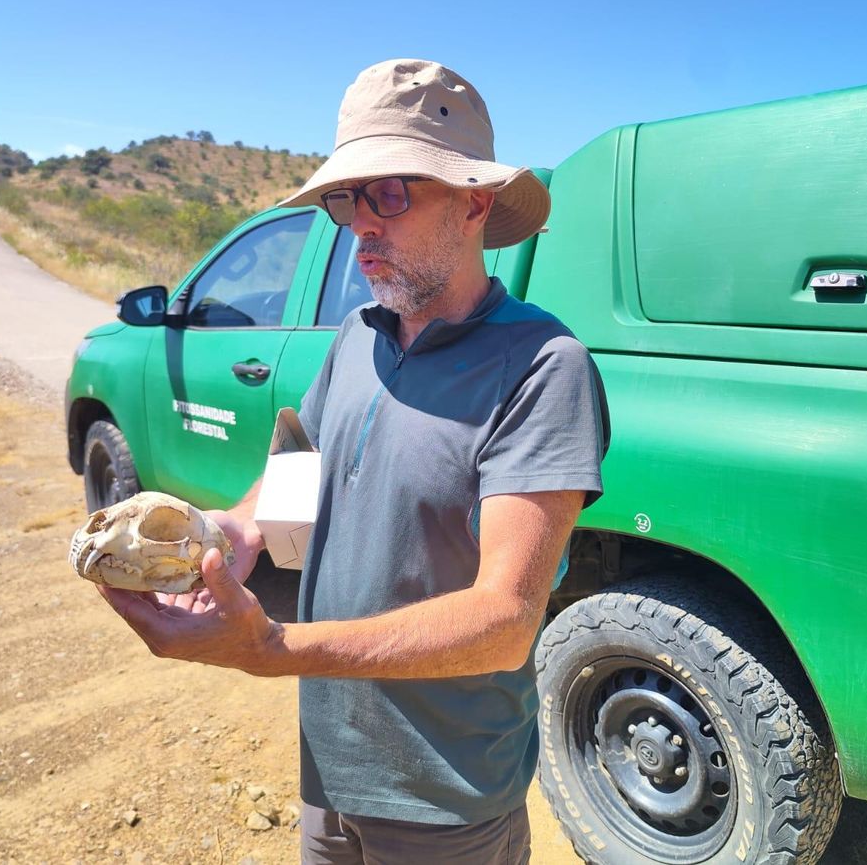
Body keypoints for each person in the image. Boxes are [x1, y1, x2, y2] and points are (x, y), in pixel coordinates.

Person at [98, 59, 610, 864]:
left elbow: (507, 622)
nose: (359, 224)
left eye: (391, 193)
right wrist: (232, 534)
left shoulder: (544, 366)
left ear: (474, 202)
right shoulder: (358, 337)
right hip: (329, 765)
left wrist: (273, 650)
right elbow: (303, 469)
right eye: (345, 197)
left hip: (448, 796)